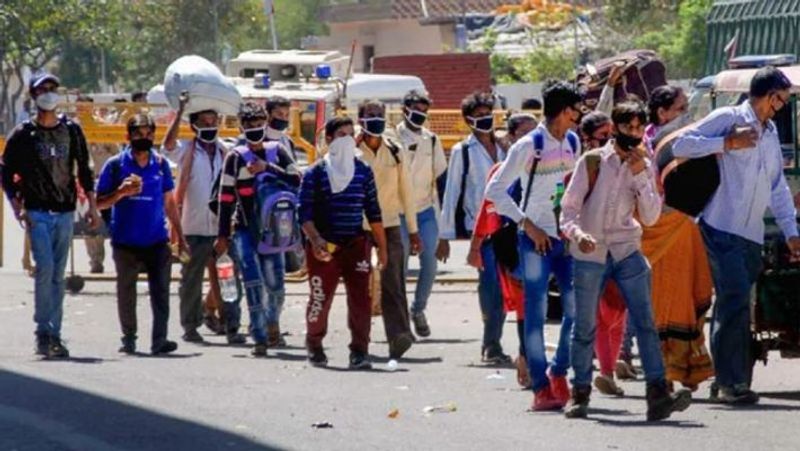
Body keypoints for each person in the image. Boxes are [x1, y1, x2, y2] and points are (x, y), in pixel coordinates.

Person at [671, 66, 800, 404]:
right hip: (720, 226)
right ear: (767, 95)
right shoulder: (729, 117)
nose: (781, 107)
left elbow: (777, 187)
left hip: (751, 235)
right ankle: (731, 383)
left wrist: (791, 230)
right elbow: (682, 144)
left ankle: (728, 380)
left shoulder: (770, 133)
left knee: (737, 305)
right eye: (780, 100)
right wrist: (727, 142)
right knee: (734, 300)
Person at [561, 100, 692, 421]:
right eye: (627, 127)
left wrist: (640, 177)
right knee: (585, 326)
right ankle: (579, 393)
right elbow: (568, 210)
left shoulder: (643, 166)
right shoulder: (592, 162)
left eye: (638, 128)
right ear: (615, 128)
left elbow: (649, 217)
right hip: (591, 252)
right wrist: (578, 235)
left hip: (626, 249)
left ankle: (658, 394)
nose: (633, 134)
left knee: (646, 323)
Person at [486, 81, 582, 410]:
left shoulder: (572, 141)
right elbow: (495, 191)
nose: (578, 116)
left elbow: (575, 189)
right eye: (575, 109)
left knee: (576, 310)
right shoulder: (528, 146)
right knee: (536, 314)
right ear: (565, 110)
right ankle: (541, 387)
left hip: (566, 240)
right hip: (533, 242)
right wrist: (529, 225)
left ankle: (559, 372)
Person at [1, 73, 101, 358]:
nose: (48, 93)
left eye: (53, 88)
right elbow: (6, 173)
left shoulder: (71, 131)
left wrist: (92, 206)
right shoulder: (23, 134)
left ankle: (54, 333)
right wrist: (16, 205)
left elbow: (84, 169)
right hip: (37, 211)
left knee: (57, 274)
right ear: (33, 95)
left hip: (65, 211)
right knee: (44, 268)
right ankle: (42, 331)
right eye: (43, 89)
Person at [639, 85, 715, 392]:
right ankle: (664, 375)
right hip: (657, 232)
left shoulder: (686, 141)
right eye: (681, 109)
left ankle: (683, 369)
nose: (687, 115)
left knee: (688, 295)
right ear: (663, 113)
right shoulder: (646, 146)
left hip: (683, 228)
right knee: (662, 304)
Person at [300, 117, 388, 369]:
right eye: (341, 134)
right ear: (328, 139)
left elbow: (374, 211)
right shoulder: (315, 172)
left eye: (351, 134)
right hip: (324, 247)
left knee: (361, 300)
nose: (348, 140)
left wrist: (382, 248)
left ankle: (359, 351)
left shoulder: (362, 171)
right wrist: (316, 240)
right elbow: (303, 212)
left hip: (356, 245)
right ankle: (314, 344)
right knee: (320, 298)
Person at [214, 102, 301, 357]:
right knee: (252, 282)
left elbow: (297, 179)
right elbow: (226, 198)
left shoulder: (278, 151)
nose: (254, 130)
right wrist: (222, 235)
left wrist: (267, 169)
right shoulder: (235, 157)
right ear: (241, 127)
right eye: (249, 126)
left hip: (274, 230)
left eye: (258, 125)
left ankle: (272, 321)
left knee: (275, 285)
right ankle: (260, 337)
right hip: (244, 229)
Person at [96, 113, 184, 355]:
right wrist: (121, 193)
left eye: (148, 134)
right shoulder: (115, 165)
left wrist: (180, 236)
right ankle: (129, 337)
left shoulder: (161, 164)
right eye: (138, 133)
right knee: (126, 292)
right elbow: (99, 203)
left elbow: (169, 202)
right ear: (128, 136)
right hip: (125, 241)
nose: (143, 138)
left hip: (157, 239)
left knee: (161, 293)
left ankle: (160, 340)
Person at [162, 98, 245, 345]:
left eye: (213, 120)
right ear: (194, 125)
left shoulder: (225, 151)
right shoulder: (186, 150)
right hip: (192, 227)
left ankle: (232, 325)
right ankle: (190, 326)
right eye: (204, 121)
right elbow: (167, 145)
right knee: (191, 279)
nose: (210, 125)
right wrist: (178, 114)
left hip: (221, 228)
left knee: (228, 278)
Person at [468, 112, 538, 389]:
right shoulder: (499, 173)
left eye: (535, 134)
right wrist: (475, 246)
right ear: (510, 138)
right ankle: (526, 358)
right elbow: (488, 212)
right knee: (524, 307)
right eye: (523, 134)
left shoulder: (552, 167)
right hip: (511, 247)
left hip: (546, 245)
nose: (530, 140)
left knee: (538, 307)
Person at [439, 91, 508, 364]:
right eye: (478, 116)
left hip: (508, 226)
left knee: (506, 287)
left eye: (487, 114)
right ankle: (491, 344)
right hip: (481, 229)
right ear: (468, 121)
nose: (485, 119)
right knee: (490, 285)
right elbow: (452, 192)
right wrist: (445, 235)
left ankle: (496, 340)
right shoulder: (462, 151)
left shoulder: (506, 148)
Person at [356, 99, 421, 358]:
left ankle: (399, 335)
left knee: (393, 281)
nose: (376, 119)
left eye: (379, 115)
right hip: (357, 226)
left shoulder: (395, 150)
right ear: (360, 119)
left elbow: (407, 190)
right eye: (370, 114)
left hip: (391, 224)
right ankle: (359, 341)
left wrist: (414, 231)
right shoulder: (351, 150)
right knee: (359, 285)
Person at [396, 90, 448, 339]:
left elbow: (441, 176)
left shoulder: (432, 139)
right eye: (416, 108)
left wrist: (446, 218)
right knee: (401, 266)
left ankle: (418, 309)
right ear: (404, 108)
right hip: (398, 211)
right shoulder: (391, 137)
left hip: (425, 209)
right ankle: (400, 317)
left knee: (430, 263)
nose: (421, 114)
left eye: (424, 110)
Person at [263, 95, 300, 346]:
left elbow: (294, 177)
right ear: (268, 114)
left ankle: (271, 323)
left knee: (278, 274)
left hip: (283, 216)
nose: (283, 119)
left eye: (286, 115)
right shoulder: (256, 141)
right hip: (258, 218)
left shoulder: (286, 142)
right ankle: (268, 326)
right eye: (278, 115)